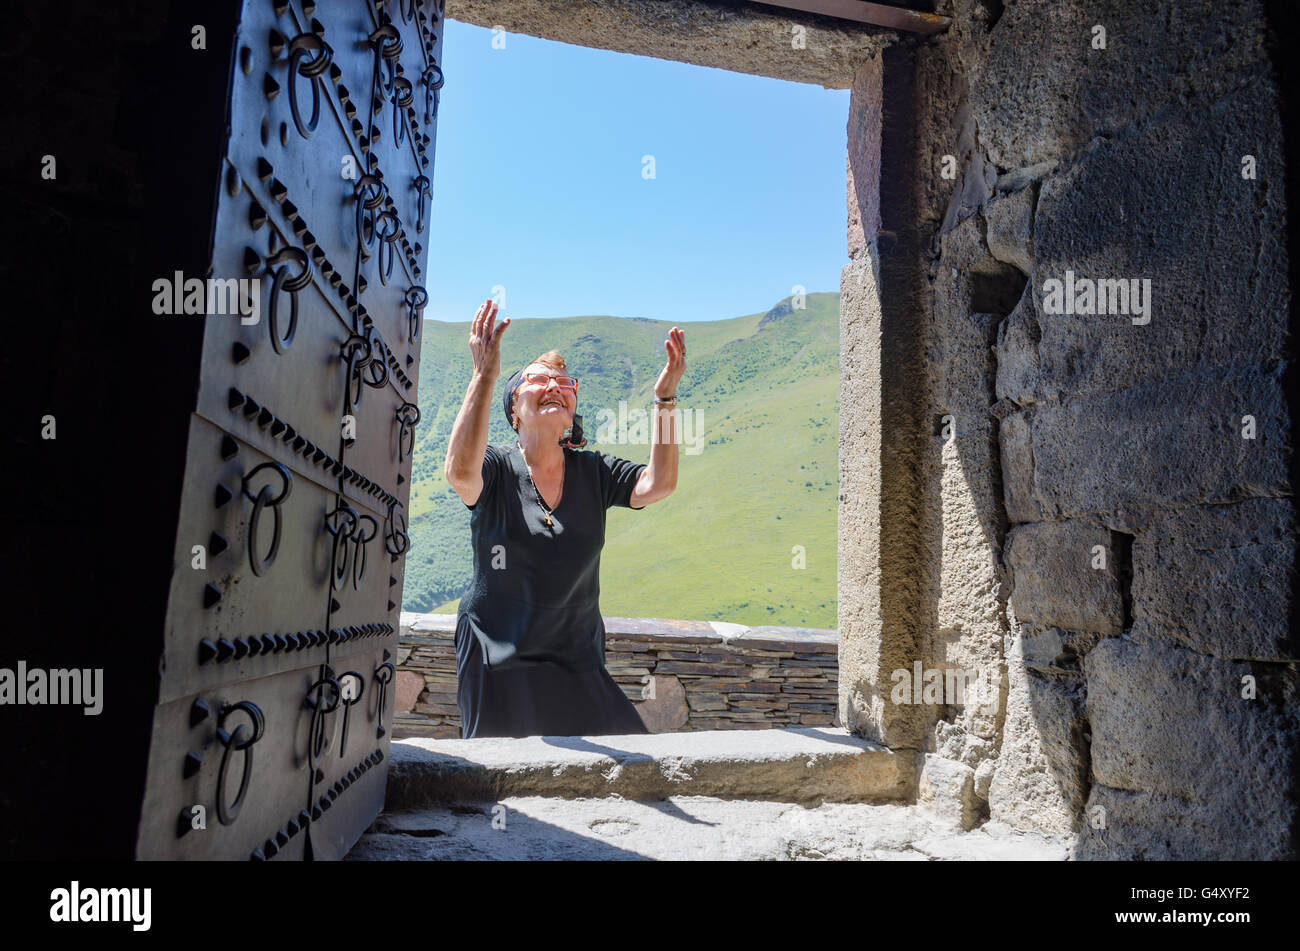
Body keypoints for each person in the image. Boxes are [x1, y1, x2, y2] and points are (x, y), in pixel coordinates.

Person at [444, 298, 686, 738]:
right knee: (498, 778)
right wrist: (483, 375)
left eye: (565, 383)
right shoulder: (496, 469)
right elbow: (460, 472)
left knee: (629, 761)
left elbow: (659, 484)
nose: (556, 386)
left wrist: (664, 399)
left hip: (575, 653)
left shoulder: (593, 472)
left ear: (573, 409)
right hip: (497, 651)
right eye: (539, 380)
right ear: (514, 409)